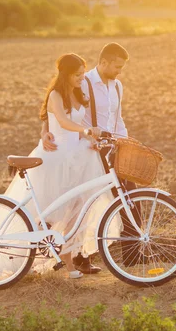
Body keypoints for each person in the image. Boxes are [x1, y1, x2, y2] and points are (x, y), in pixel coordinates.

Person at [0, 53, 114, 279]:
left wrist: (89, 138)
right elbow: (61, 121)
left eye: (83, 74)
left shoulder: (77, 92)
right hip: (56, 157)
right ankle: (22, 255)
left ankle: (69, 263)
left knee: (76, 210)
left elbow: (79, 121)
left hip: (78, 157)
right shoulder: (55, 94)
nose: (82, 78)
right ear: (66, 74)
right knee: (48, 212)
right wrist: (85, 131)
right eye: (78, 75)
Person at [42, 42, 142, 271]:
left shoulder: (118, 86)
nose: (120, 71)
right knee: (88, 203)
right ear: (104, 61)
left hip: (111, 146)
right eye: (117, 66)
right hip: (87, 150)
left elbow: (118, 119)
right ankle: (79, 255)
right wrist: (44, 130)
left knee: (131, 195)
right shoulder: (82, 81)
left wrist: (125, 142)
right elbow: (57, 106)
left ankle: (134, 255)